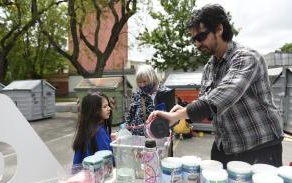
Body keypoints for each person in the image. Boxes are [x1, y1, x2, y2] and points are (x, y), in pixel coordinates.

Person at [147, 4, 284, 168]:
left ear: (219, 29)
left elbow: (219, 99)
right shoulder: (209, 67)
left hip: (258, 147)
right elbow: (207, 109)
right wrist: (181, 111)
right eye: (194, 40)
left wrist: (180, 115)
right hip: (225, 147)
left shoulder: (246, 58)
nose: (197, 44)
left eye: (202, 37)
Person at [126, 64, 171, 136]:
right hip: (140, 136)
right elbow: (130, 114)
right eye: (139, 82)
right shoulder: (137, 94)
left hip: (160, 135)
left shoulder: (165, 93)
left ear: (152, 78)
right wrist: (126, 129)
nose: (142, 85)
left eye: (144, 81)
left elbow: (172, 117)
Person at [72, 92, 113, 165]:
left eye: (108, 105)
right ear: (95, 110)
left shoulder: (85, 130)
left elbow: (76, 164)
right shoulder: (99, 132)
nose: (109, 108)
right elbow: (109, 159)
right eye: (105, 106)